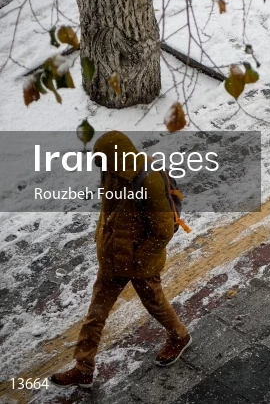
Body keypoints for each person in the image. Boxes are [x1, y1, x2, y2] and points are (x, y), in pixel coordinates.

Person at [50, 131, 191, 388]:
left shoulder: (148, 180)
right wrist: (102, 240)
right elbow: (110, 211)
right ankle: (84, 368)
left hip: (140, 264)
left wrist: (138, 261)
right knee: (96, 313)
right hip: (112, 259)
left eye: (102, 159)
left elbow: (163, 230)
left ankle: (179, 336)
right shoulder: (112, 173)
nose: (99, 165)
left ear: (117, 157)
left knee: (155, 304)